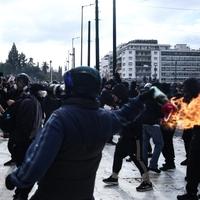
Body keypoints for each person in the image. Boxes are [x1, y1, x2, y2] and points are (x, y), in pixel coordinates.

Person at [5, 67, 154, 200]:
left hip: (52, 194)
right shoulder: (105, 118)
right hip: (84, 194)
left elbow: (38, 160)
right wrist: (141, 100)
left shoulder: (59, 119)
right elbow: (124, 115)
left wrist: (16, 178)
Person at [5, 73, 43, 200]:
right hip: (26, 142)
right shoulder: (33, 101)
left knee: (25, 169)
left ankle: (20, 195)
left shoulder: (29, 102)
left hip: (24, 142)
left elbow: (24, 127)